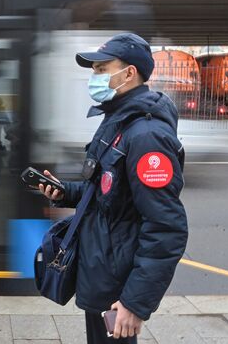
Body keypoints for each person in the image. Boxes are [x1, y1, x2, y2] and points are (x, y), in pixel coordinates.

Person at [39, 33, 188, 344]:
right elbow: (108, 192)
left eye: (101, 68)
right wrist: (65, 191)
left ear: (129, 73)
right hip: (101, 273)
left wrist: (135, 303)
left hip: (118, 289)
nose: (94, 77)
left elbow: (166, 227)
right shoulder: (117, 121)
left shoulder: (147, 136)